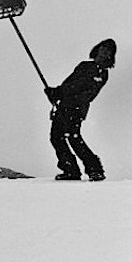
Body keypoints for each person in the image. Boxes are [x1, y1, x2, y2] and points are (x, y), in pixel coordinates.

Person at [43, 38, 116, 181]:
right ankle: (72, 169)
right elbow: (70, 83)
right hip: (65, 106)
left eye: (108, 50)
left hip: (75, 109)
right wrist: (57, 94)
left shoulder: (101, 73)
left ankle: (93, 169)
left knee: (73, 137)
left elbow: (81, 88)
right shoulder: (85, 66)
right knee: (57, 138)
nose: (104, 51)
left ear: (110, 56)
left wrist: (57, 92)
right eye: (102, 48)